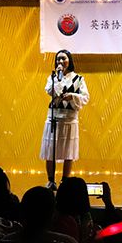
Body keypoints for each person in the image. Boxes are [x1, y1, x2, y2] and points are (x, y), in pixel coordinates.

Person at [39, 50, 89, 191]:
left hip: (69, 119)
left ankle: (65, 181)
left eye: (63, 59)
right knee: (50, 151)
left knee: (68, 151)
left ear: (69, 60)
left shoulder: (79, 79)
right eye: (58, 59)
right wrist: (58, 78)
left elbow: (85, 97)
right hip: (54, 118)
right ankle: (51, 181)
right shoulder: (53, 77)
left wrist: (72, 96)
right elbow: (51, 91)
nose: (60, 61)